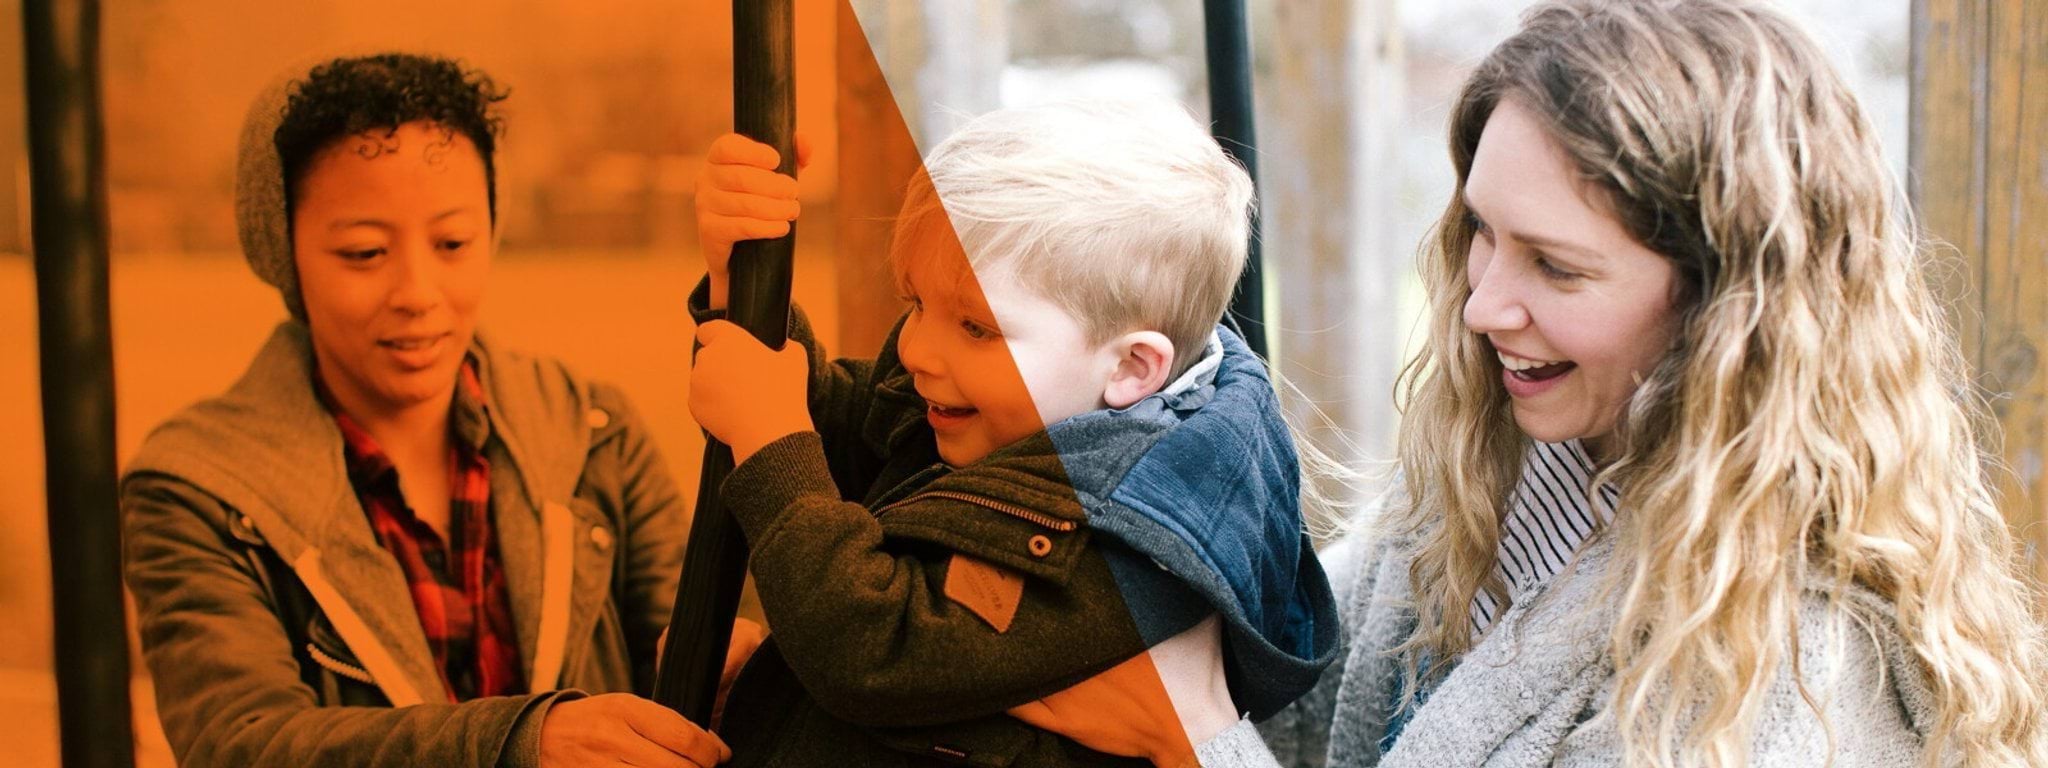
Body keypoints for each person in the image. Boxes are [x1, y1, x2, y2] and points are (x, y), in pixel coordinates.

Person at [1251, 1, 2048, 766]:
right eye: (1481, 231)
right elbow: (1295, 672)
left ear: (1729, 307)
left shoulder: (1781, 679)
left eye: (1556, 266)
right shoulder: (1510, 469)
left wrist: (1197, 725)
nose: (1480, 306)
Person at [121, 52, 748, 767]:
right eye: (363, 253)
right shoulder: (196, 486)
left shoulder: (592, 430)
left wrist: (730, 661)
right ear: (284, 251)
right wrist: (519, 745)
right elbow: (241, 743)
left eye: (452, 243)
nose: (417, 291)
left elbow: (681, 652)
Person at [686, 98, 1338, 766]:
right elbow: (854, 438)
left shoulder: (1134, 549)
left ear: (1132, 366)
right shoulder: (1016, 408)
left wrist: (772, 441)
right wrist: (741, 279)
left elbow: (874, 649)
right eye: (916, 302)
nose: (917, 351)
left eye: (976, 327)